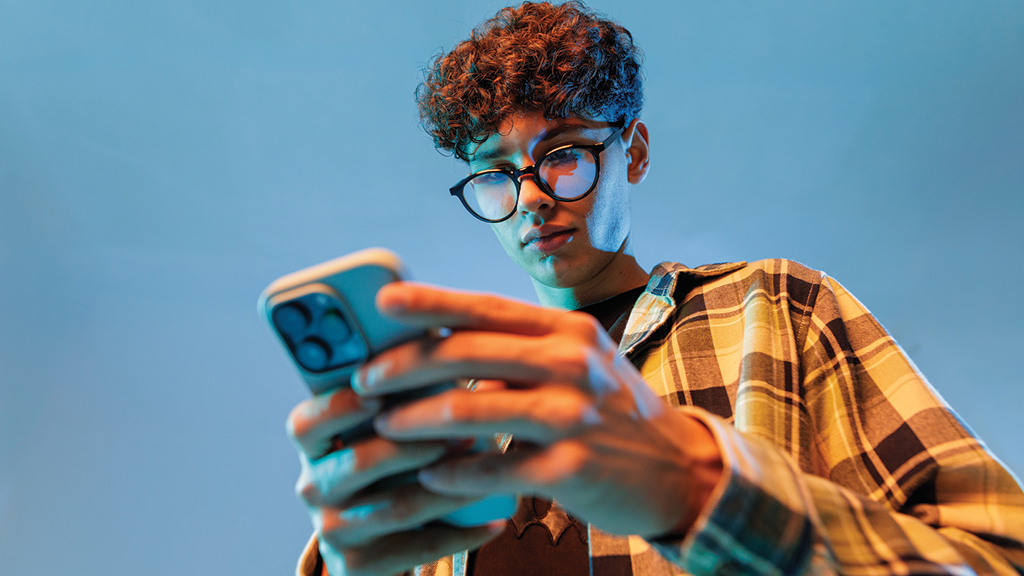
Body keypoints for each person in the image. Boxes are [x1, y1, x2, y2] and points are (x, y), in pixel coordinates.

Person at [286, 2, 1024, 575]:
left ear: (632, 152)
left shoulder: (778, 311)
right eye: (496, 173)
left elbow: (999, 556)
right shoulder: (458, 417)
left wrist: (699, 491)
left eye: (562, 154)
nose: (532, 197)